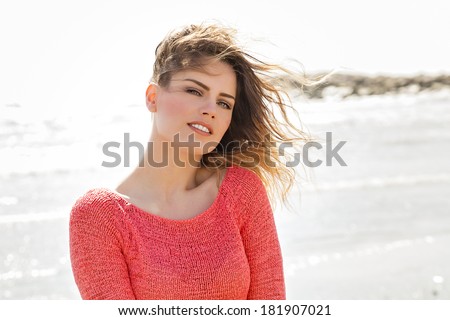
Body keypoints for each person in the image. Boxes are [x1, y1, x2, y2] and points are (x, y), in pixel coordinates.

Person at [69, 23, 309, 300]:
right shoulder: (100, 217)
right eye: (195, 91)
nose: (210, 110)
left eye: (224, 103)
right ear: (153, 97)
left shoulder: (241, 191)